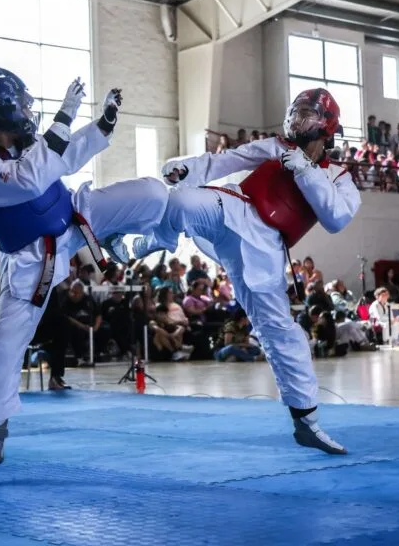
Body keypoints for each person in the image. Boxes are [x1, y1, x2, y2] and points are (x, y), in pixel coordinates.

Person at [0, 67, 168, 477]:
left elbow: (64, 158)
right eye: (21, 103)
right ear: (1, 111)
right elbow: (31, 179)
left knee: (153, 193)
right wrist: (63, 118)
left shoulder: (28, 145)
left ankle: (131, 242)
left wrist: (100, 125)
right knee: (2, 347)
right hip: (32, 264)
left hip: (74, 221)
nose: (27, 111)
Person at [133, 88, 361, 455]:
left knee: (279, 332)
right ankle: (156, 240)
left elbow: (335, 217)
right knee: (181, 199)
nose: (300, 120)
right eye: (298, 112)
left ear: (326, 126)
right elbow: (226, 161)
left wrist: (305, 171)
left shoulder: (339, 177)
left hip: (266, 248)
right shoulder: (275, 146)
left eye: (309, 114)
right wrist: (185, 168)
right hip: (234, 207)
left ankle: (306, 421)